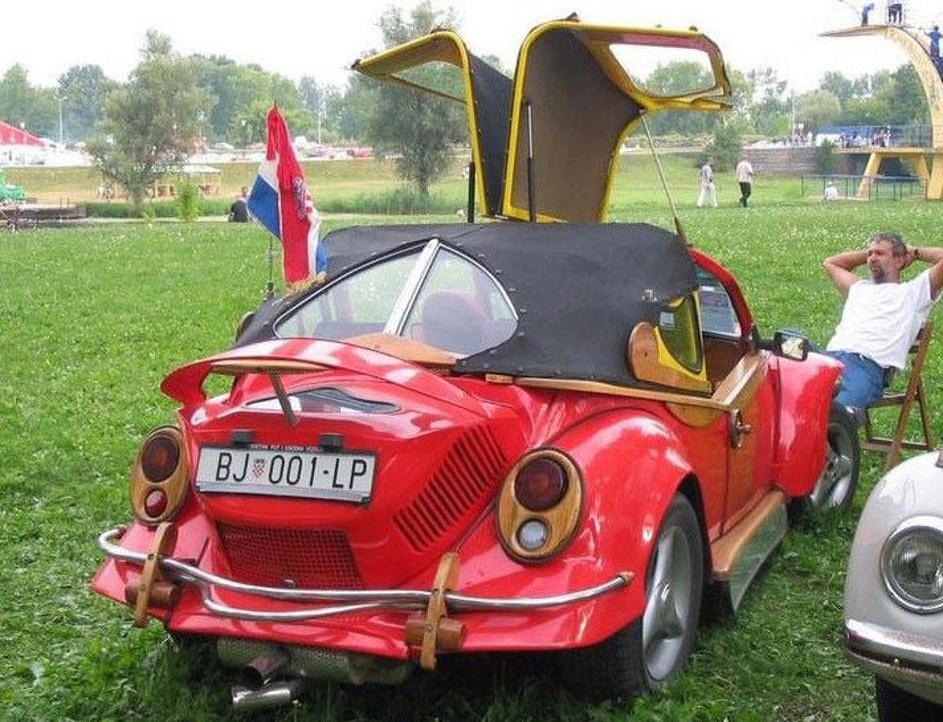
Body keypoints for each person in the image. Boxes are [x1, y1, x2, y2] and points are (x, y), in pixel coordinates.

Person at [822, 233, 943, 410]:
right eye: (869, 253)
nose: (872, 258)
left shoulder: (913, 293)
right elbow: (830, 263)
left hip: (866, 367)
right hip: (828, 359)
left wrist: (915, 252)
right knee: (786, 344)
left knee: (835, 413)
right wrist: (870, 254)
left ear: (899, 260)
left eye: (880, 253)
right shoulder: (858, 287)